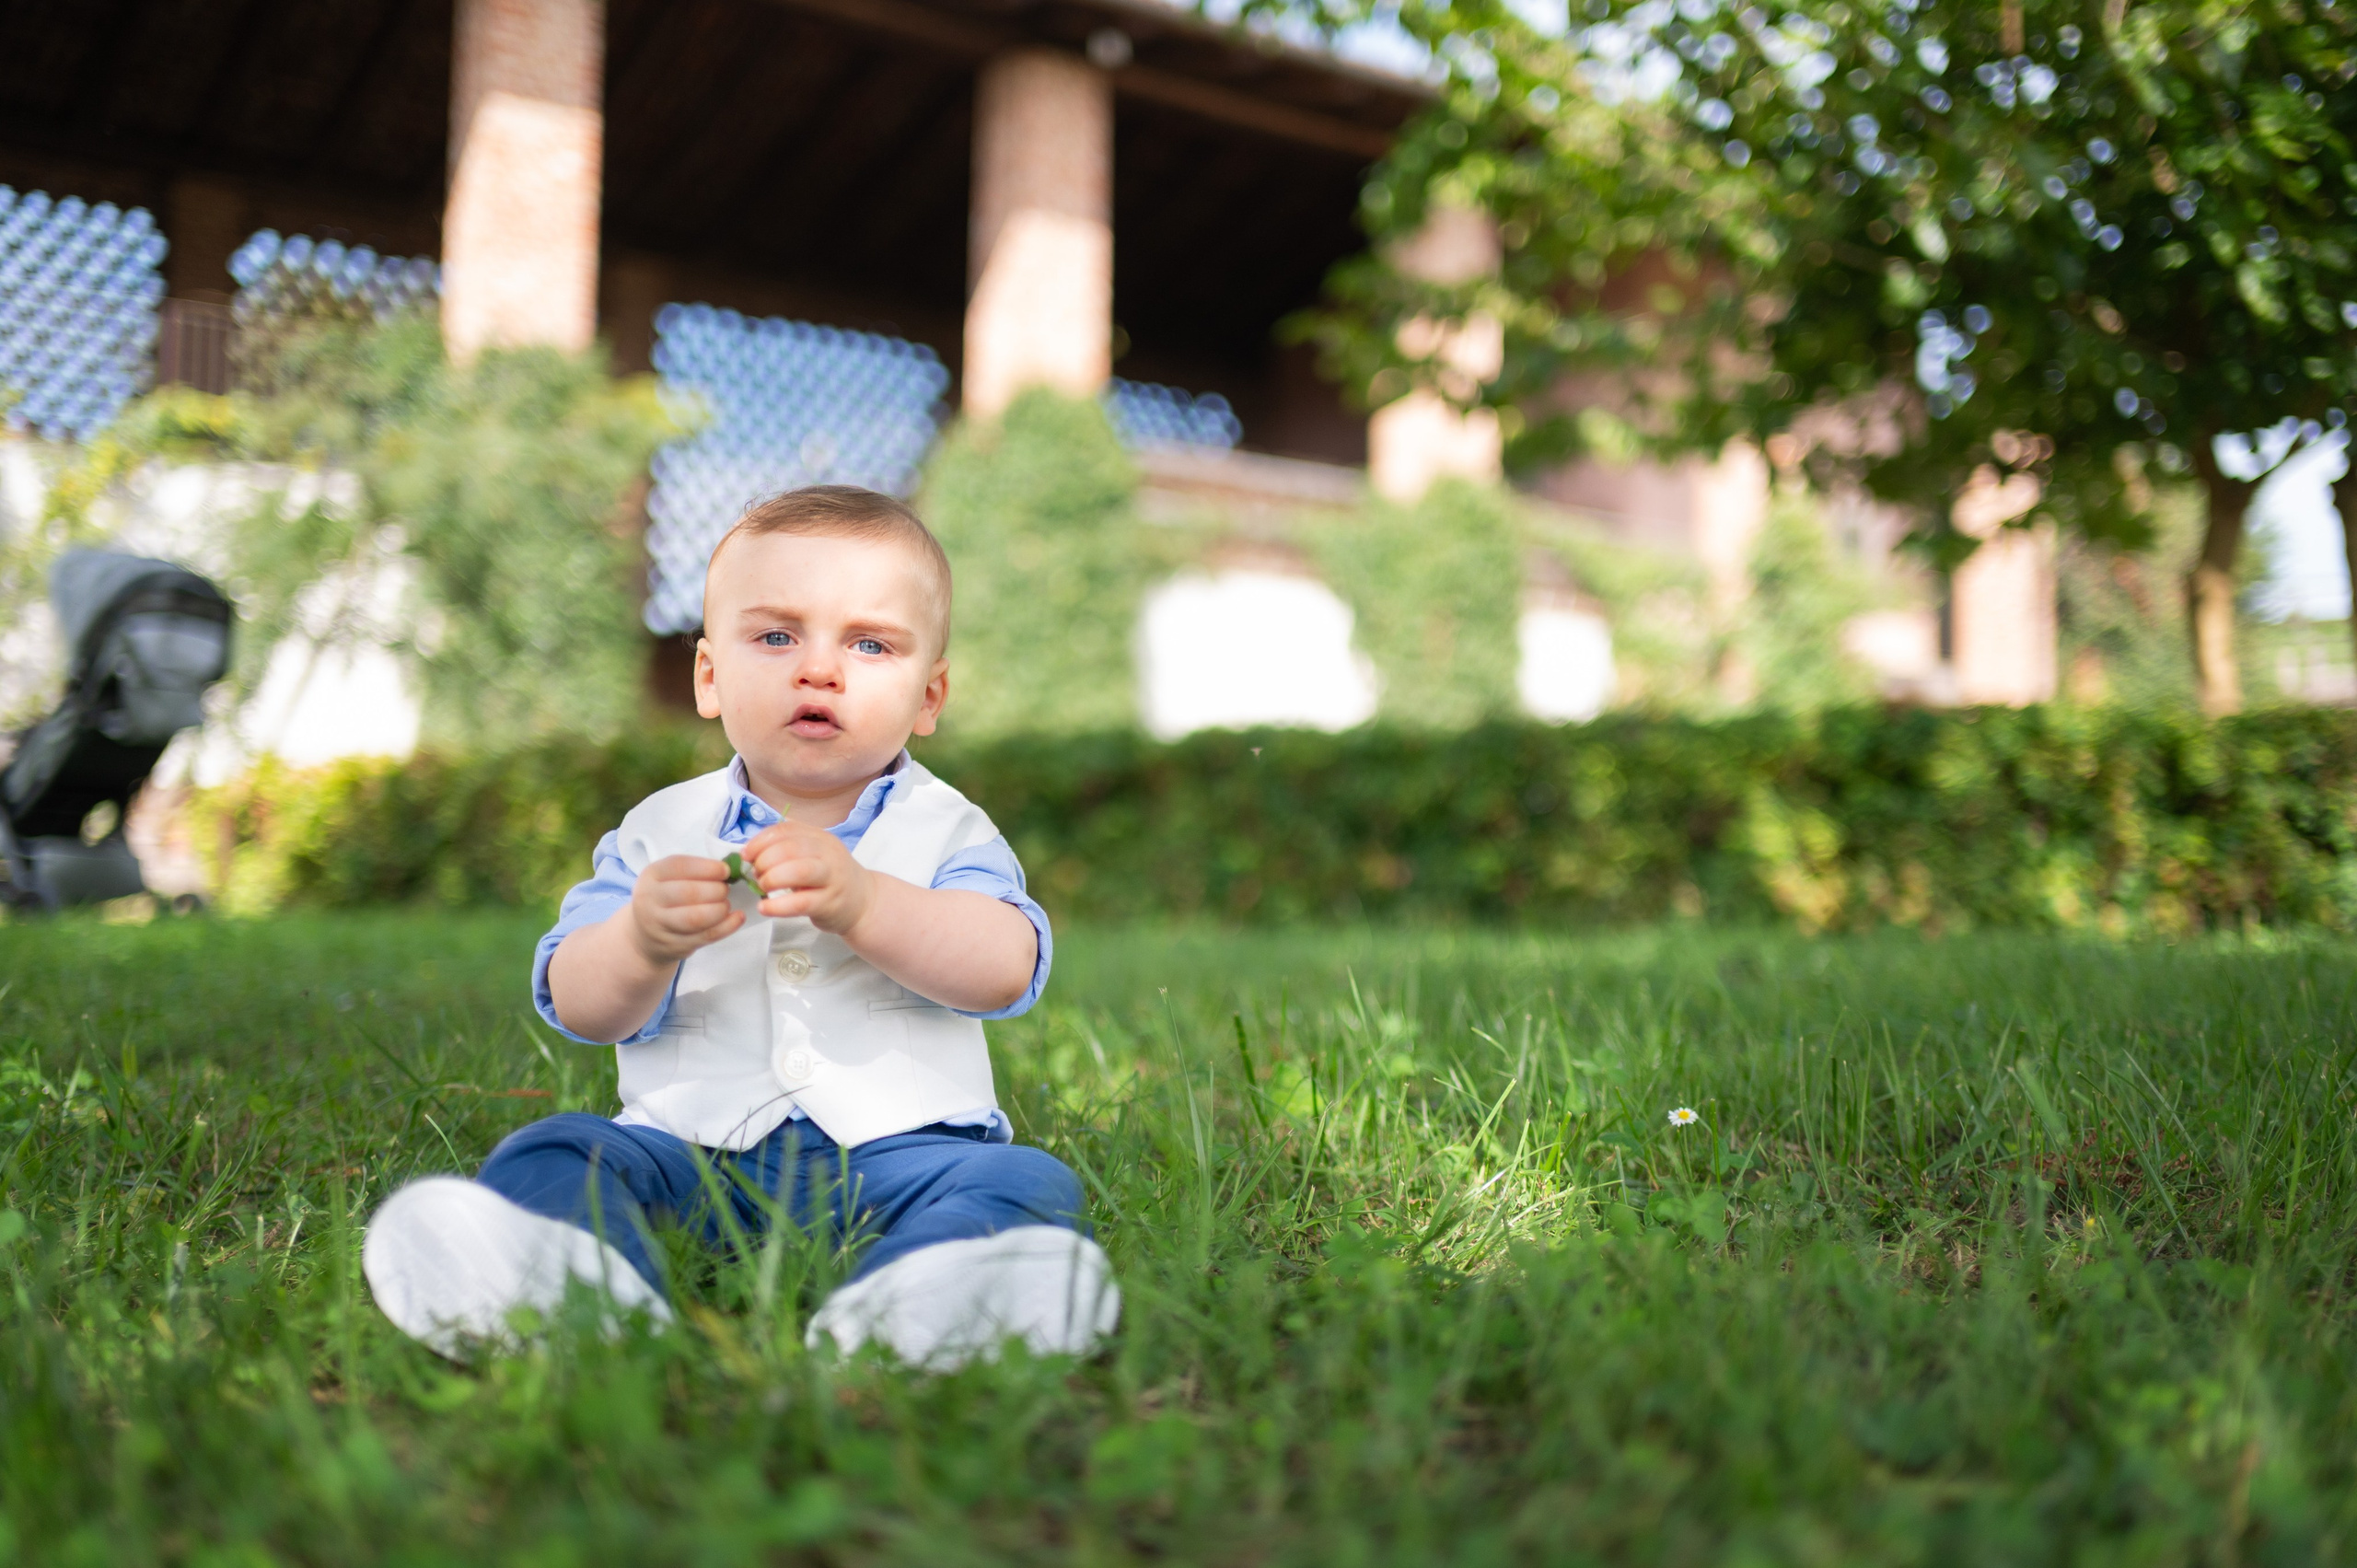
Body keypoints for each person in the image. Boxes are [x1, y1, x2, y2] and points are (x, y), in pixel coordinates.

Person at [362, 484, 1117, 1369]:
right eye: (775, 636)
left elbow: (1005, 965)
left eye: (870, 643)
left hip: (904, 1159)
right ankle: (580, 1283)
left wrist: (869, 903)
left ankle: (926, 1293)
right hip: (689, 1155)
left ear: (929, 695)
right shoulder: (655, 832)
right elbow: (576, 1000)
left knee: (1025, 1179)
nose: (820, 669)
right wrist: (641, 941)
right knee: (559, 1148)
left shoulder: (950, 826)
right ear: (709, 677)